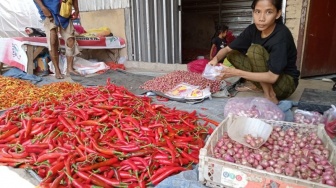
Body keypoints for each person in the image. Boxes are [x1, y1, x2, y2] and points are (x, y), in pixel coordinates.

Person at [208, 0, 300, 104]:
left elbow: (272, 77)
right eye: (257, 12)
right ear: (253, 12)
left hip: (285, 84)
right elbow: (227, 49)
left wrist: (234, 73)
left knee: (255, 50)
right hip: (266, 77)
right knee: (232, 54)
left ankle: (270, 95)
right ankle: (259, 86)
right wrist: (215, 59)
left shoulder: (281, 36)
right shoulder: (252, 29)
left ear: (278, 14)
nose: (261, 18)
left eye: (268, 12)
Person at [34, 0, 80, 79]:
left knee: (70, 40)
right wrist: (43, 7)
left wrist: (76, 9)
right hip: (49, 13)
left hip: (64, 13)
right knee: (53, 42)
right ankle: (57, 70)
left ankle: (69, 69)